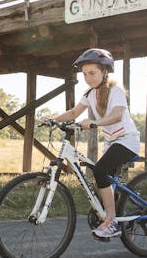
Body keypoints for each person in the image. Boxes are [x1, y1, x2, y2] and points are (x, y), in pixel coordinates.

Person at [51, 48, 140, 239]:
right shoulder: (90, 93)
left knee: (99, 171)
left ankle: (111, 222)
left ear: (104, 72)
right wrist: (53, 119)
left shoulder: (115, 91)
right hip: (112, 142)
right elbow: (74, 113)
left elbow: (117, 114)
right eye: (84, 74)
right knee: (103, 176)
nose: (88, 78)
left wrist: (94, 123)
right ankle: (115, 211)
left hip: (126, 140)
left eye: (92, 73)